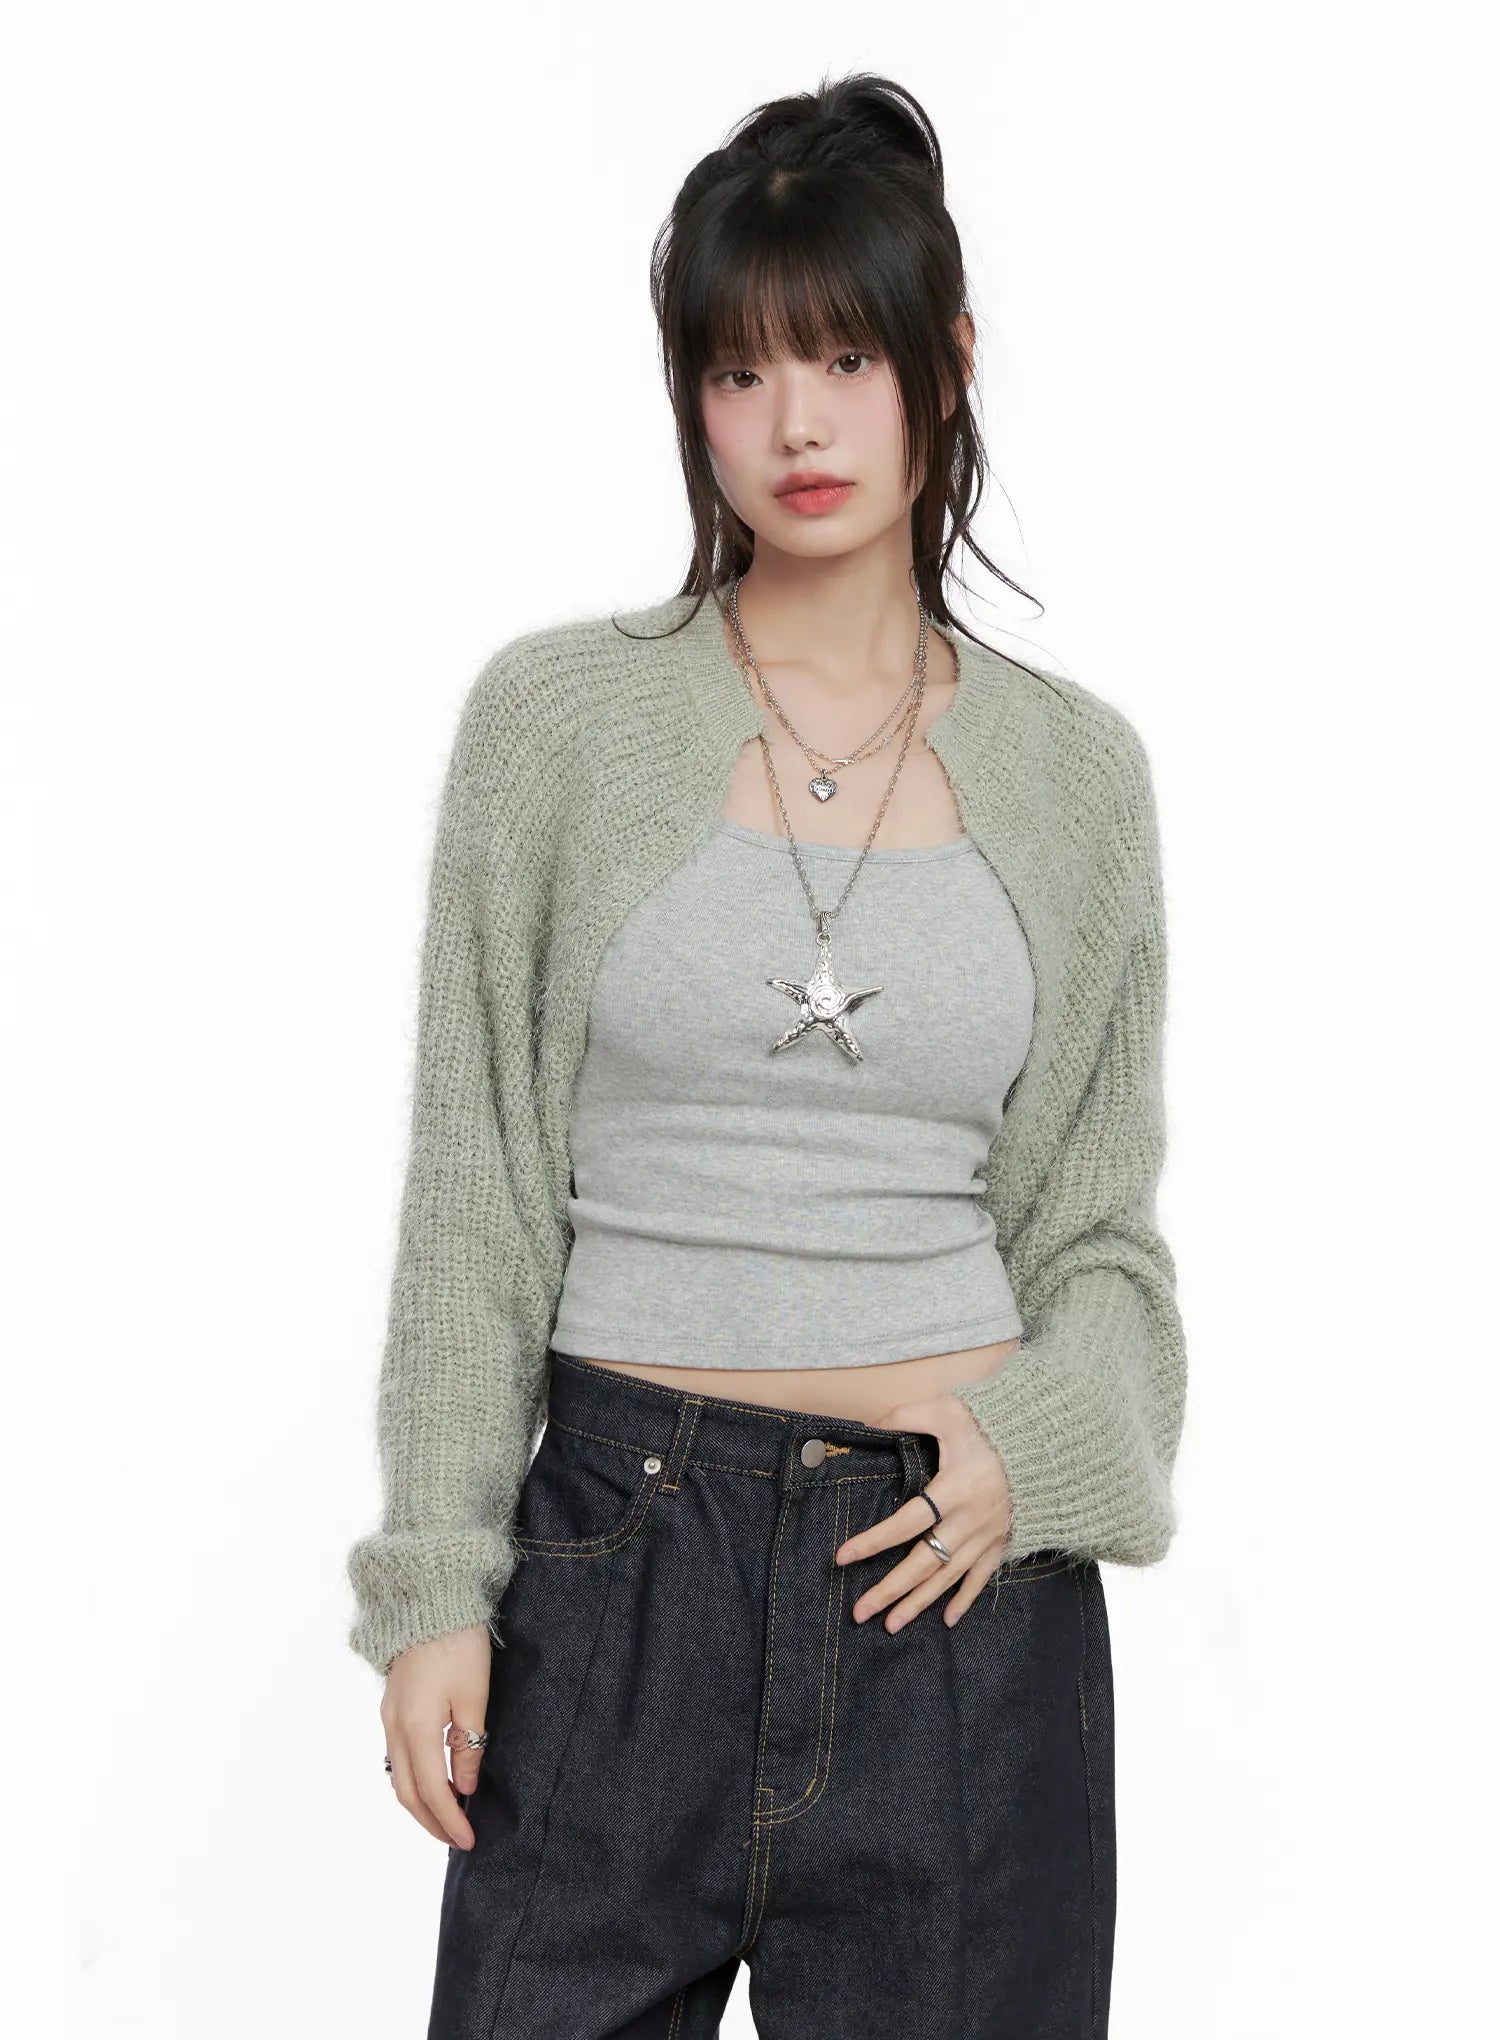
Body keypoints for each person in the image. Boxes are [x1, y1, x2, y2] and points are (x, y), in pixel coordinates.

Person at [346, 69, 1188, 2040]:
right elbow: (478, 1192)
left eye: (842, 357)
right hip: (615, 1569)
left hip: (953, 1596)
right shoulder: (556, 726)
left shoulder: (1078, 779)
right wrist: (438, 1588)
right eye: (739, 370)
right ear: (691, 398)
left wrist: (1034, 1453)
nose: (797, 424)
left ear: (943, 362)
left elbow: (1101, 1240)